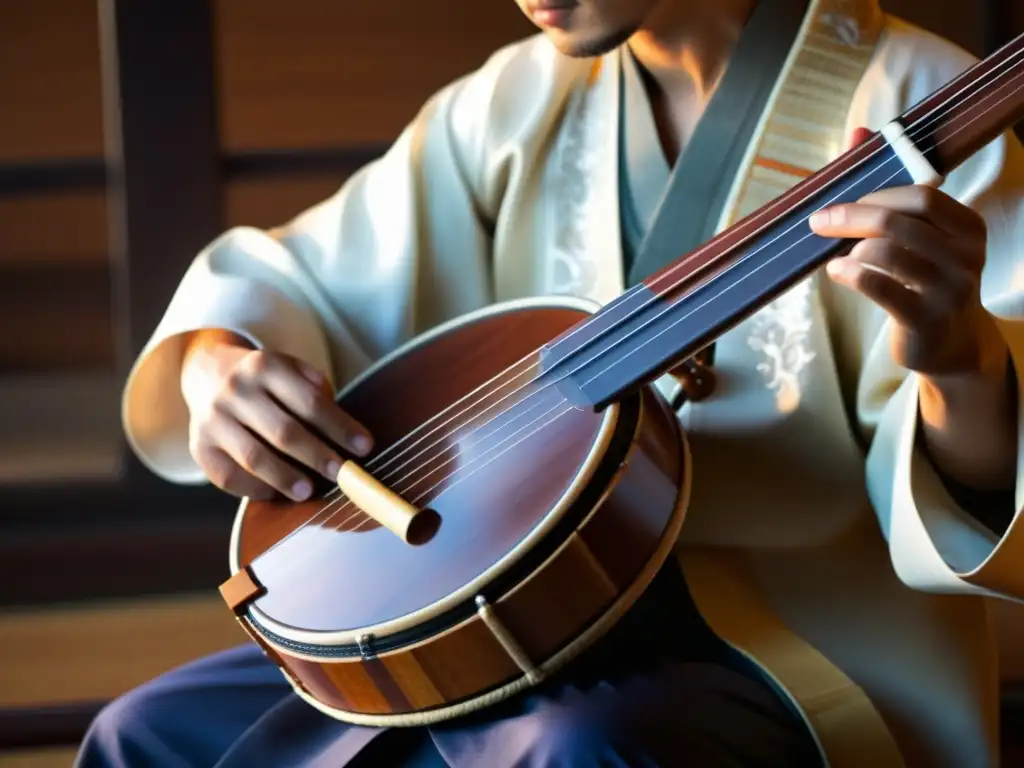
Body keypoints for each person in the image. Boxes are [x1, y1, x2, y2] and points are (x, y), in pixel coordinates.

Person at [76, 0, 1024, 765]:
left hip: (786, 639)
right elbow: (299, 283)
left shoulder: (914, 98)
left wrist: (961, 357)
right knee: (145, 733)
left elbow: (984, 487)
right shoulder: (517, 100)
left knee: (573, 750)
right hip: (509, 608)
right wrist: (217, 366)